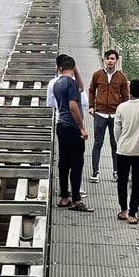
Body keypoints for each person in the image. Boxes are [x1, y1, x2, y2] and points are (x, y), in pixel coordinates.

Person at [53, 56, 93, 212]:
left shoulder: (57, 83)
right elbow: (73, 106)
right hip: (72, 127)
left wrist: (74, 71)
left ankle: (64, 197)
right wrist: (82, 127)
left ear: (60, 68)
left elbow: (81, 89)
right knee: (77, 163)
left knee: (64, 162)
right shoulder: (71, 84)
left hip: (61, 126)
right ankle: (76, 200)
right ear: (73, 68)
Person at [114, 78, 139, 224]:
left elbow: (117, 129)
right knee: (137, 183)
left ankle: (123, 210)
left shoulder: (121, 107)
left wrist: (119, 143)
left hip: (123, 149)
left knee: (122, 181)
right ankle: (132, 214)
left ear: (130, 91)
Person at [87, 49, 130, 183]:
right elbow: (92, 90)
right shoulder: (97, 75)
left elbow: (125, 96)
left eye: (112, 59)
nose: (110, 61)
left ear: (116, 61)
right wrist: (91, 106)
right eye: (108, 58)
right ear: (103, 60)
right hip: (100, 113)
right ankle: (95, 172)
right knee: (97, 143)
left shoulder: (121, 77)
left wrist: (123, 112)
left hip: (115, 115)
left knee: (115, 144)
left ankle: (116, 172)